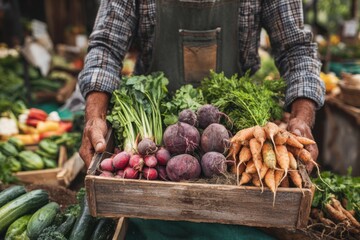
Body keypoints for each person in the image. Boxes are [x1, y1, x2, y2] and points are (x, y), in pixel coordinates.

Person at [79, 0, 325, 173]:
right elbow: (106, 47)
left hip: (236, 139)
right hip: (154, 138)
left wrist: (301, 118)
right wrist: (95, 117)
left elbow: (296, 49)